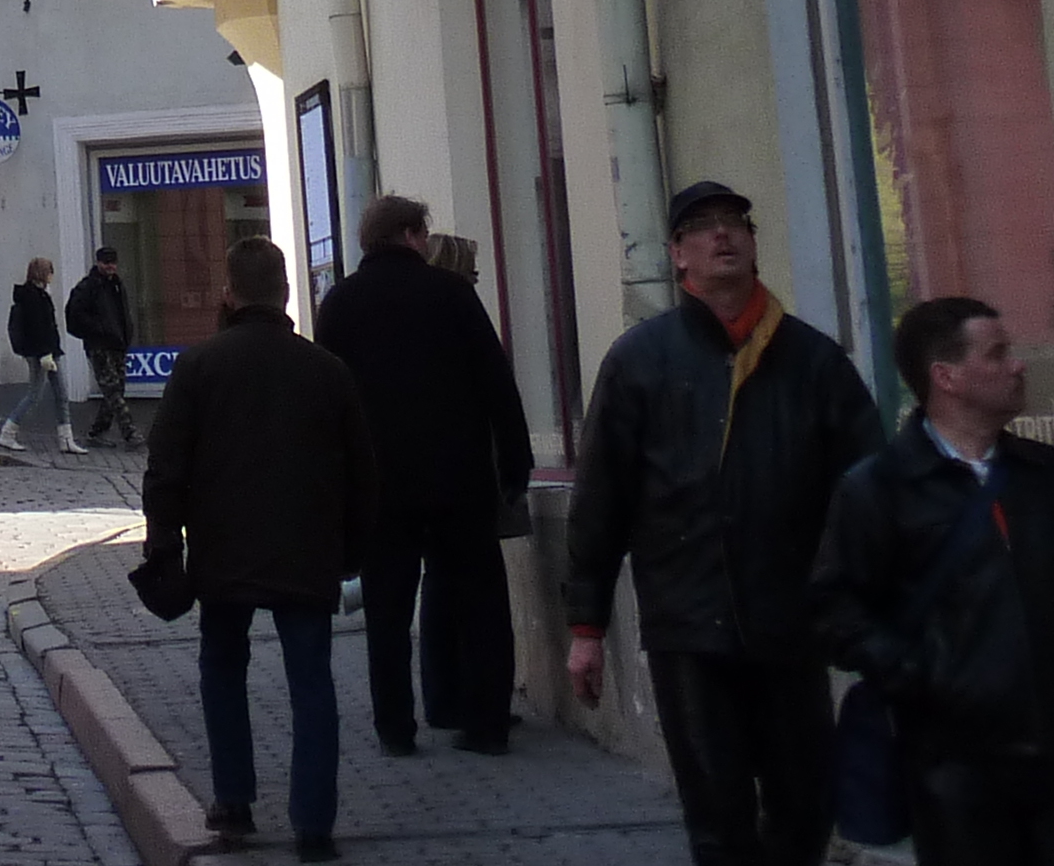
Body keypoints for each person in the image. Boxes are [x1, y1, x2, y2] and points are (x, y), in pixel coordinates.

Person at [564, 180, 885, 866]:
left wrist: (858, 596)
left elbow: (866, 488)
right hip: (690, 625)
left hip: (790, 622)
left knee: (804, 808)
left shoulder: (812, 361)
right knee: (718, 821)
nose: (723, 236)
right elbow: (601, 500)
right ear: (679, 255)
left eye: (735, 222)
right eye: (704, 227)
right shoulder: (640, 361)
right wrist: (585, 627)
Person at [143, 236, 374, 862]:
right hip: (308, 550)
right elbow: (361, 471)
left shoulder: (199, 368)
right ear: (287, 293)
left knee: (222, 668)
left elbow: (167, 465)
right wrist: (353, 551)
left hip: (223, 551)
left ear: (228, 292)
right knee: (311, 683)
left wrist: (164, 540)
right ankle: (314, 823)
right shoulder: (326, 370)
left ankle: (234, 799)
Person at [811, 296, 1054, 865]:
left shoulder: (1041, 475)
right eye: (997, 354)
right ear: (946, 377)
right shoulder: (881, 488)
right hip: (957, 771)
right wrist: (921, 673)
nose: (1017, 365)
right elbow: (833, 610)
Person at [312, 193, 531, 758]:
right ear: (412, 235)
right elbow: (495, 380)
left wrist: (335, 485)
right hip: (458, 479)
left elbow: (328, 403)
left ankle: (396, 728)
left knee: (387, 612)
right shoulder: (452, 294)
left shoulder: (339, 304)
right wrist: (515, 460)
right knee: (480, 601)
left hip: (381, 483)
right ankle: (485, 724)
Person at [0, 258, 81, 455]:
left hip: (48, 351)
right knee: (35, 394)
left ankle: (66, 439)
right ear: (43, 273)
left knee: (60, 394)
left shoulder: (38, 294)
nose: (53, 276)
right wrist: (45, 354)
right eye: (50, 271)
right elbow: (38, 328)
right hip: (41, 353)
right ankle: (7, 433)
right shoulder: (33, 297)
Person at [67, 245, 136, 446]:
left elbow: (123, 313)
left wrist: (126, 335)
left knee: (115, 390)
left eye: (113, 263)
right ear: (98, 263)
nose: (110, 267)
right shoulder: (88, 287)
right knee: (112, 389)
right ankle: (130, 432)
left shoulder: (116, 285)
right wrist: (98, 330)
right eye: (106, 263)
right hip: (99, 347)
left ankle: (97, 432)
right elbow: (75, 316)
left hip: (117, 344)